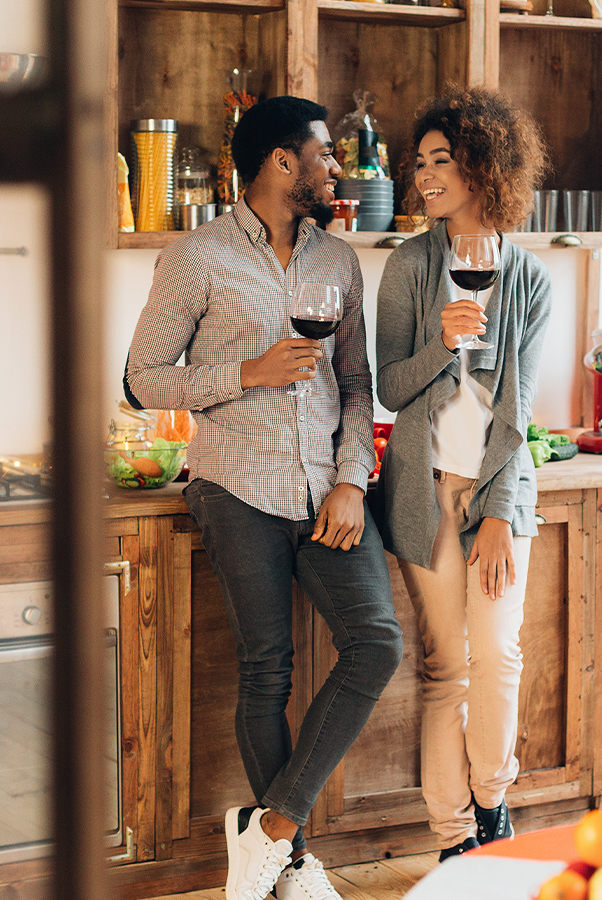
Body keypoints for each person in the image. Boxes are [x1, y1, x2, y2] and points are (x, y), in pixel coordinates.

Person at [126, 95, 403, 900]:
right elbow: (142, 379)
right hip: (235, 485)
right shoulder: (197, 257)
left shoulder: (337, 261)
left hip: (326, 489)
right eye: (324, 155)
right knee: (266, 670)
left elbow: (357, 386)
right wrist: (246, 372)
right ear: (283, 162)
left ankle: (269, 830)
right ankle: (296, 869)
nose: (335, 168)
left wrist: (353, 480)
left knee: (375, 643)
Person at [374, 87, 551, 862]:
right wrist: (440, 346)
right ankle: (454, 844)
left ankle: (494, 805)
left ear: (487, 166)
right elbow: (388, 386)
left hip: (496, 493)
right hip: (422, 491)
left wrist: (502, 516)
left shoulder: (530, 280)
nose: (424, 177)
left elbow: (520, 411)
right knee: (447, 666)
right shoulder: (409, 266)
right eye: (419, 164)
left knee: (500, 654)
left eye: (441, 161)